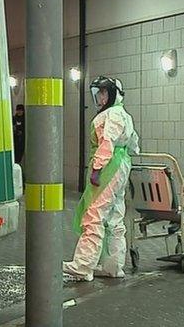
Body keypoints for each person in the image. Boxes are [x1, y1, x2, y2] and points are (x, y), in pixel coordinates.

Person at [63, 76, 140, 282]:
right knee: (115, 217)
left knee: (94, 215)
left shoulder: (111, 115)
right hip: (121, 166)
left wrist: (97, 169)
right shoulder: (124, 114)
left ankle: (83, 265)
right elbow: (134, 144)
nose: (99, 97)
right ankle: (113, 267)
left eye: (103, 92)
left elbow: (107, 142)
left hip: (109, 168)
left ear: (112, 94)